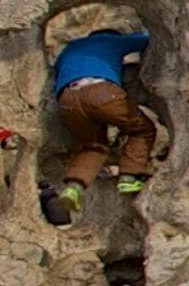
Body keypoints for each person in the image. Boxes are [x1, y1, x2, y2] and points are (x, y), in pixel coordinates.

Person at [47, 24, 158, 227]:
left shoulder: (71, 47)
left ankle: (73, 188)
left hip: (68, 98)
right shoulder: (112, 41)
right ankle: (129, 176)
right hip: (102, 92)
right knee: (141, 129)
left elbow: (55, 69)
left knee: (93, 145)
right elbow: (148, 38)